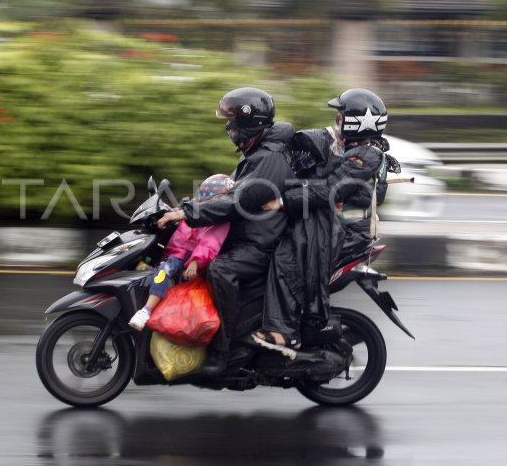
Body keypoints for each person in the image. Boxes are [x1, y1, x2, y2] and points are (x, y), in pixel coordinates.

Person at [158, 87, 294, 374]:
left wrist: (187, 213)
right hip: (247, 234)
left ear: (248, 122)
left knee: (220, 269)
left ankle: (227, 348)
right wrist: (187, 205)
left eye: (232, 119)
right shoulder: (256, 152)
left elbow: (236, 202)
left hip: (260, 243)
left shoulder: (269, 159)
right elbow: (224, 192)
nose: (228, 126)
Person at [254, 88, 399, 350]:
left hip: (347, 232)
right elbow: (326, 183)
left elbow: (331, 189)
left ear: (359, 121)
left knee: (285, 257)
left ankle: (285, 333)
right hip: (338, 224)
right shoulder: (358, 150)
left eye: (342, 116)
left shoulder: (367, 154)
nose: (338, 120)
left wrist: (284, 201)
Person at [128, 174, 234, 331]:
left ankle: (146, 311)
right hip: (176, 252)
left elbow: (210, 242)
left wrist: (196, 261)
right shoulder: (196, 212)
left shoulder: (216, 221)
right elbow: (184, 214)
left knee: (164, 270)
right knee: (144, 267)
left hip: (187, 257)